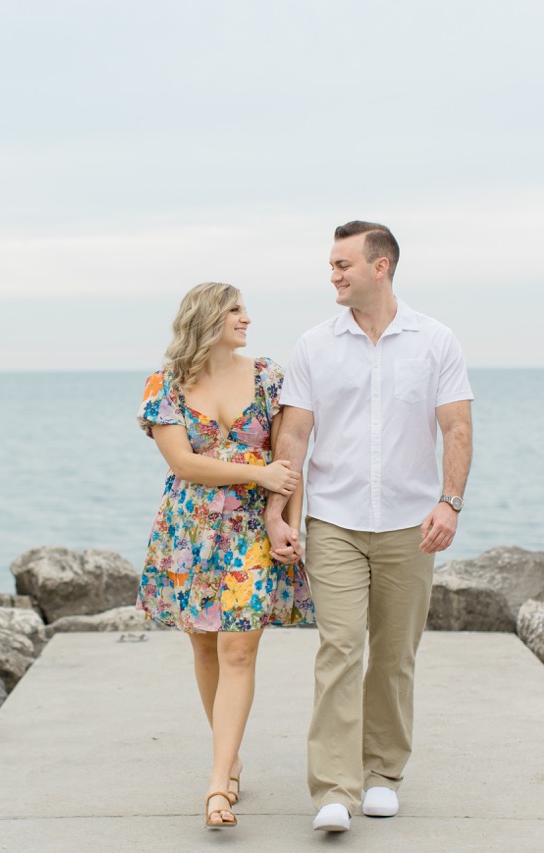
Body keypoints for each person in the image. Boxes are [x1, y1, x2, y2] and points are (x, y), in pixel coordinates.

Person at [265, 221, 474, 833]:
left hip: (412, 524)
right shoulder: (314, 345)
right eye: (332, 264)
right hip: (334, 520)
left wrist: (450, 502)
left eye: (342, 264)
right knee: (338, 647)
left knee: (394, 654)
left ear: (379, 267)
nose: (333, 274)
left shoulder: (436, 341)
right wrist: (281, 515)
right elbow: (294, 435)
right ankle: (334, 787)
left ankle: (383, 773)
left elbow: (456, 428)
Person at [137, 281, 316, 829]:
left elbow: (289, 460)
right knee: (206, 650)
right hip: (189, 532)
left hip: (250, 532)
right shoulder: (164, 385)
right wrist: (253, 472)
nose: (247, 318)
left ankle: (217, 786)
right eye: (236, 309)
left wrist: (288, 521)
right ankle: (229, 756)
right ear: (208, 317)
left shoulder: (269, 377)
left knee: (239, 651)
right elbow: (184, 464)